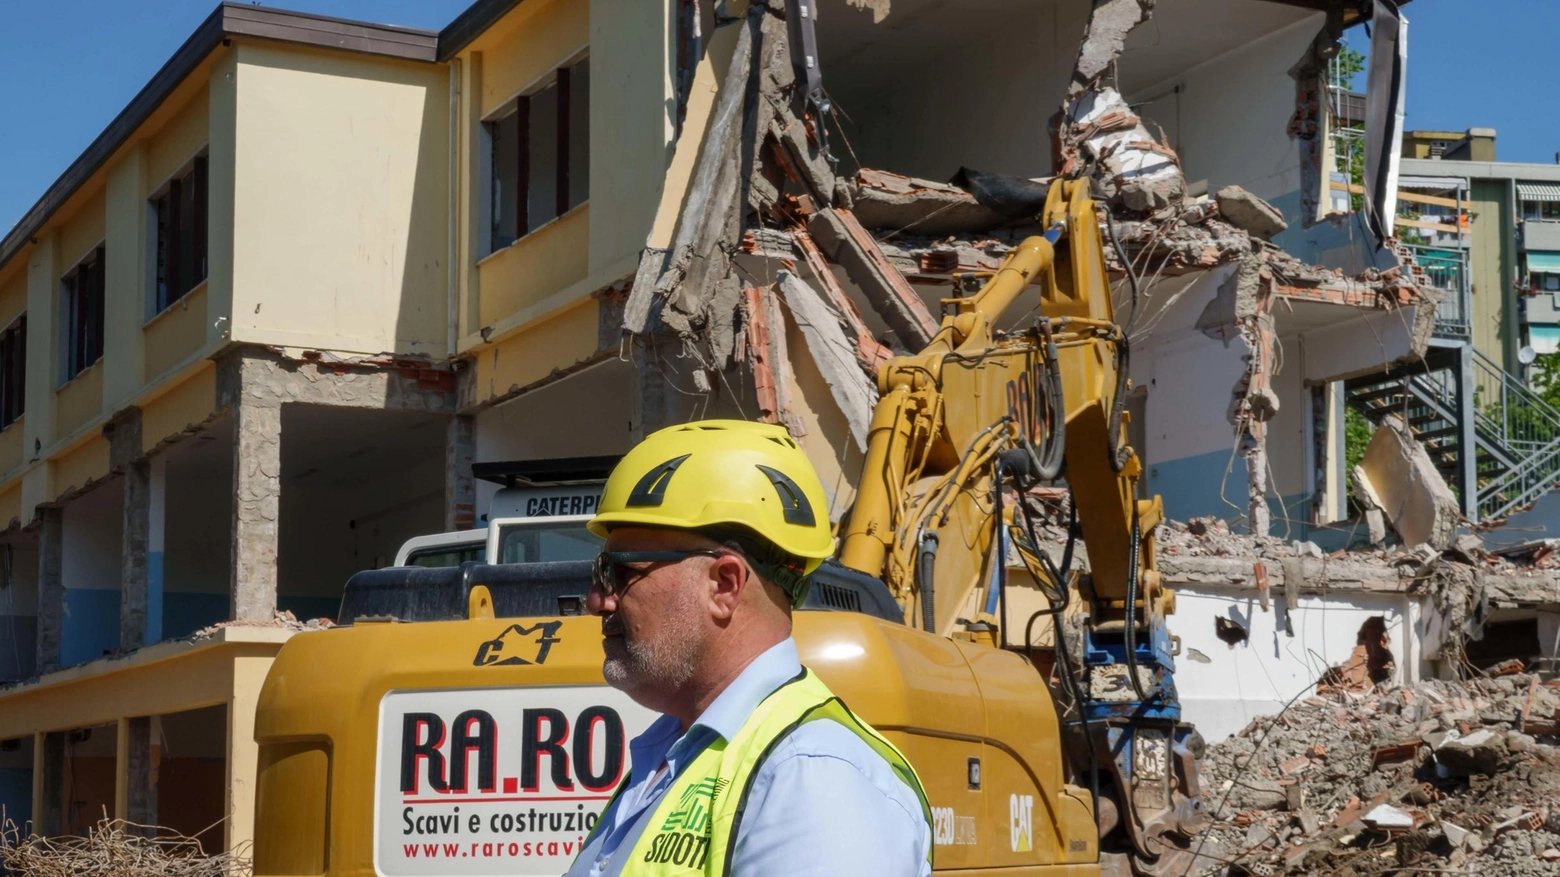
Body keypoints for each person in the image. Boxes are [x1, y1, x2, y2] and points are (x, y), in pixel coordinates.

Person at [566, 420, 932, 877]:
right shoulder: (673, 758)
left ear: (724, 585)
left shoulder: (811, 776)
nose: (597, 601)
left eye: (618, 573)